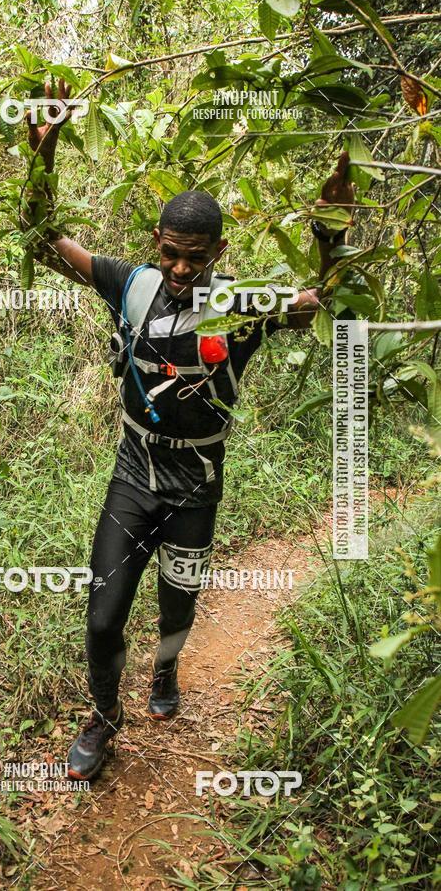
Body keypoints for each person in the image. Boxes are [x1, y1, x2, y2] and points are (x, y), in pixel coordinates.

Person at [24, 79, 355, 781]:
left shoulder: (240, 305)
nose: (180, 269)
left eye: (196, 258)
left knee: (178, 604)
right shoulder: (133, 284)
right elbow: (46, 237)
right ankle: (103, 721)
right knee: (104, 614)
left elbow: (318, 297)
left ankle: (166, 672)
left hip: (197, 485)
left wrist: (332, 234)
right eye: (172, 252)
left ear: (218, 251)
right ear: (156, 243)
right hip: (134, 475)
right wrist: (43, 151)